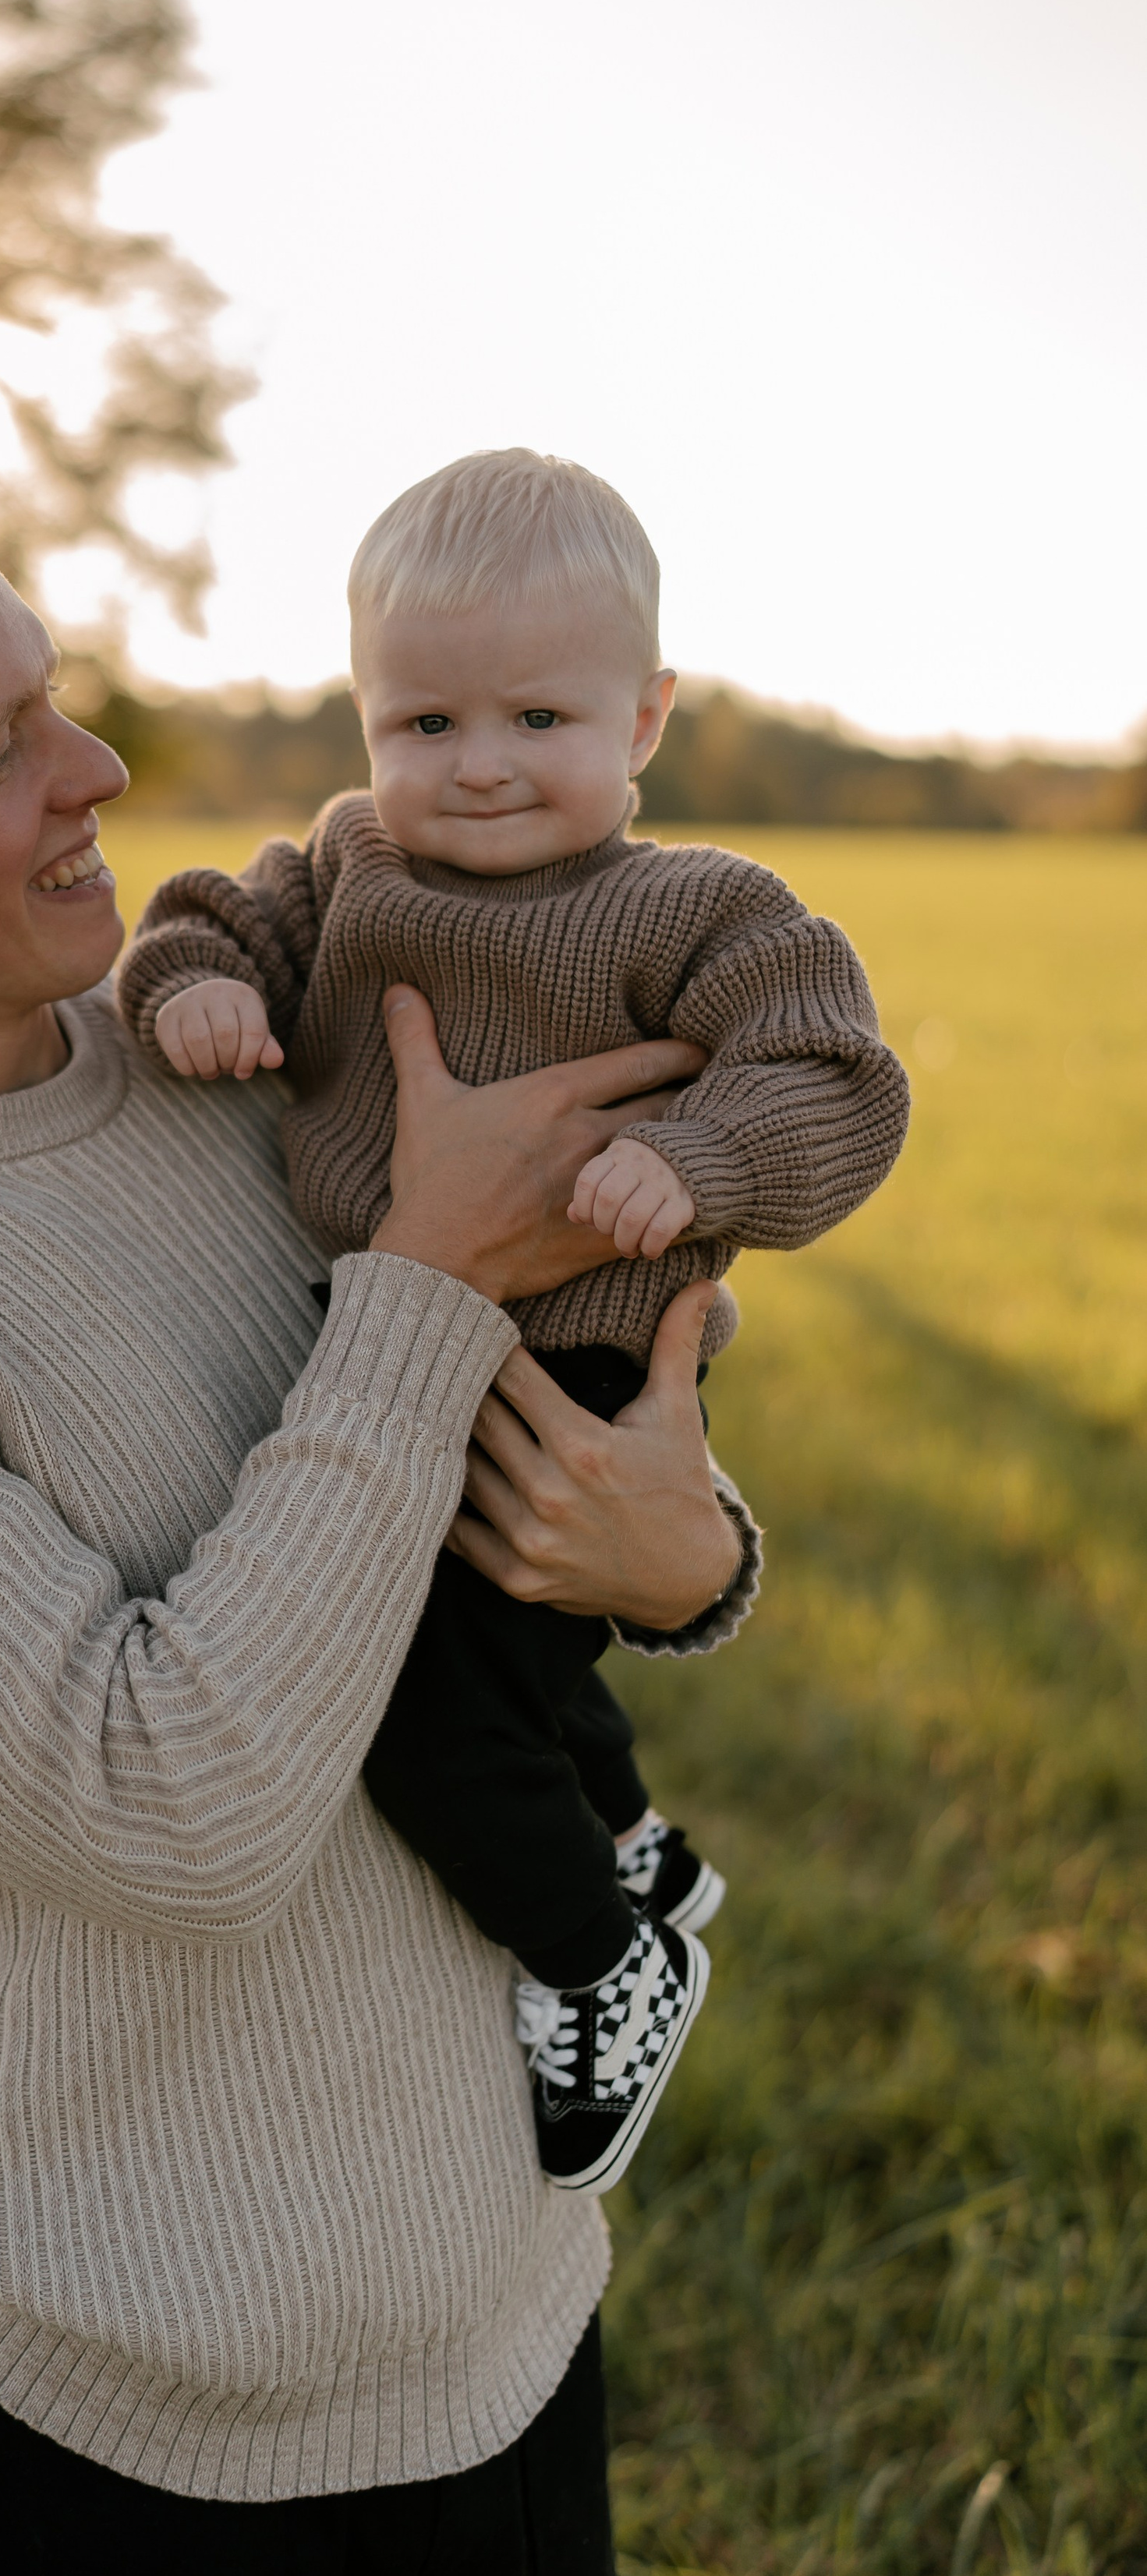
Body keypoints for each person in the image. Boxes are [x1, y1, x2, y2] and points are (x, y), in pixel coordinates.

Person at [0, 463, 764, 2576]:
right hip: (121, 2438)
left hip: (508, 2334)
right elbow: (180, 1817)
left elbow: (565, 1434)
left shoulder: (256, 1066)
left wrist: (696, 1567)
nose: (98, 768)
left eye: (61, 699)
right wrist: (423, 1278)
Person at [117, 447, 908, 2193]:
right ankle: (629, 1840)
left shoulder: (697, 910)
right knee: (485, 1643)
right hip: (378, 1325)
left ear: (645, 718)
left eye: (537, 718)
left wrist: (699, 1158)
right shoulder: (343, 865)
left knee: (420, 1695)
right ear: (363, 722)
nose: (474, 767)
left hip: (579, 1360)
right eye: (421, 725)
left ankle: (600, 1961)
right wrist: (193, 991)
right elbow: (204, 916)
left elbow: (839, 1085)